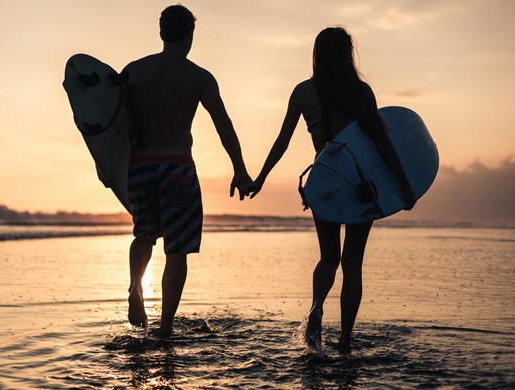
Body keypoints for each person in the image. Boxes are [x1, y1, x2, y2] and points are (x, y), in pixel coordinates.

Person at [243, 27, 415, 353]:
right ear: (348, 54)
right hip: (361, 184)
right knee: (352, 264)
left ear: (317, 54)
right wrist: (405, 186)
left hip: (325, 185)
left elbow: (282, 141)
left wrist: (261, 178)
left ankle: (316, 309)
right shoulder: (361, 92)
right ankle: (346, 340)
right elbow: (381, 142)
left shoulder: (303, 92)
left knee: (328, 258)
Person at [122, 5, 251, 337]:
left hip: (138, 167)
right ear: (189, 35)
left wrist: (106, 167)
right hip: (177, 167)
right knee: (176, 250)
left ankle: (136, 287)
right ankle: (165, 327)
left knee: (143, 234)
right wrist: (239, 169)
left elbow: (108, 124)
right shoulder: (199, 77)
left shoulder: (133, 72)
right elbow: (223, 125)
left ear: (162, 32)